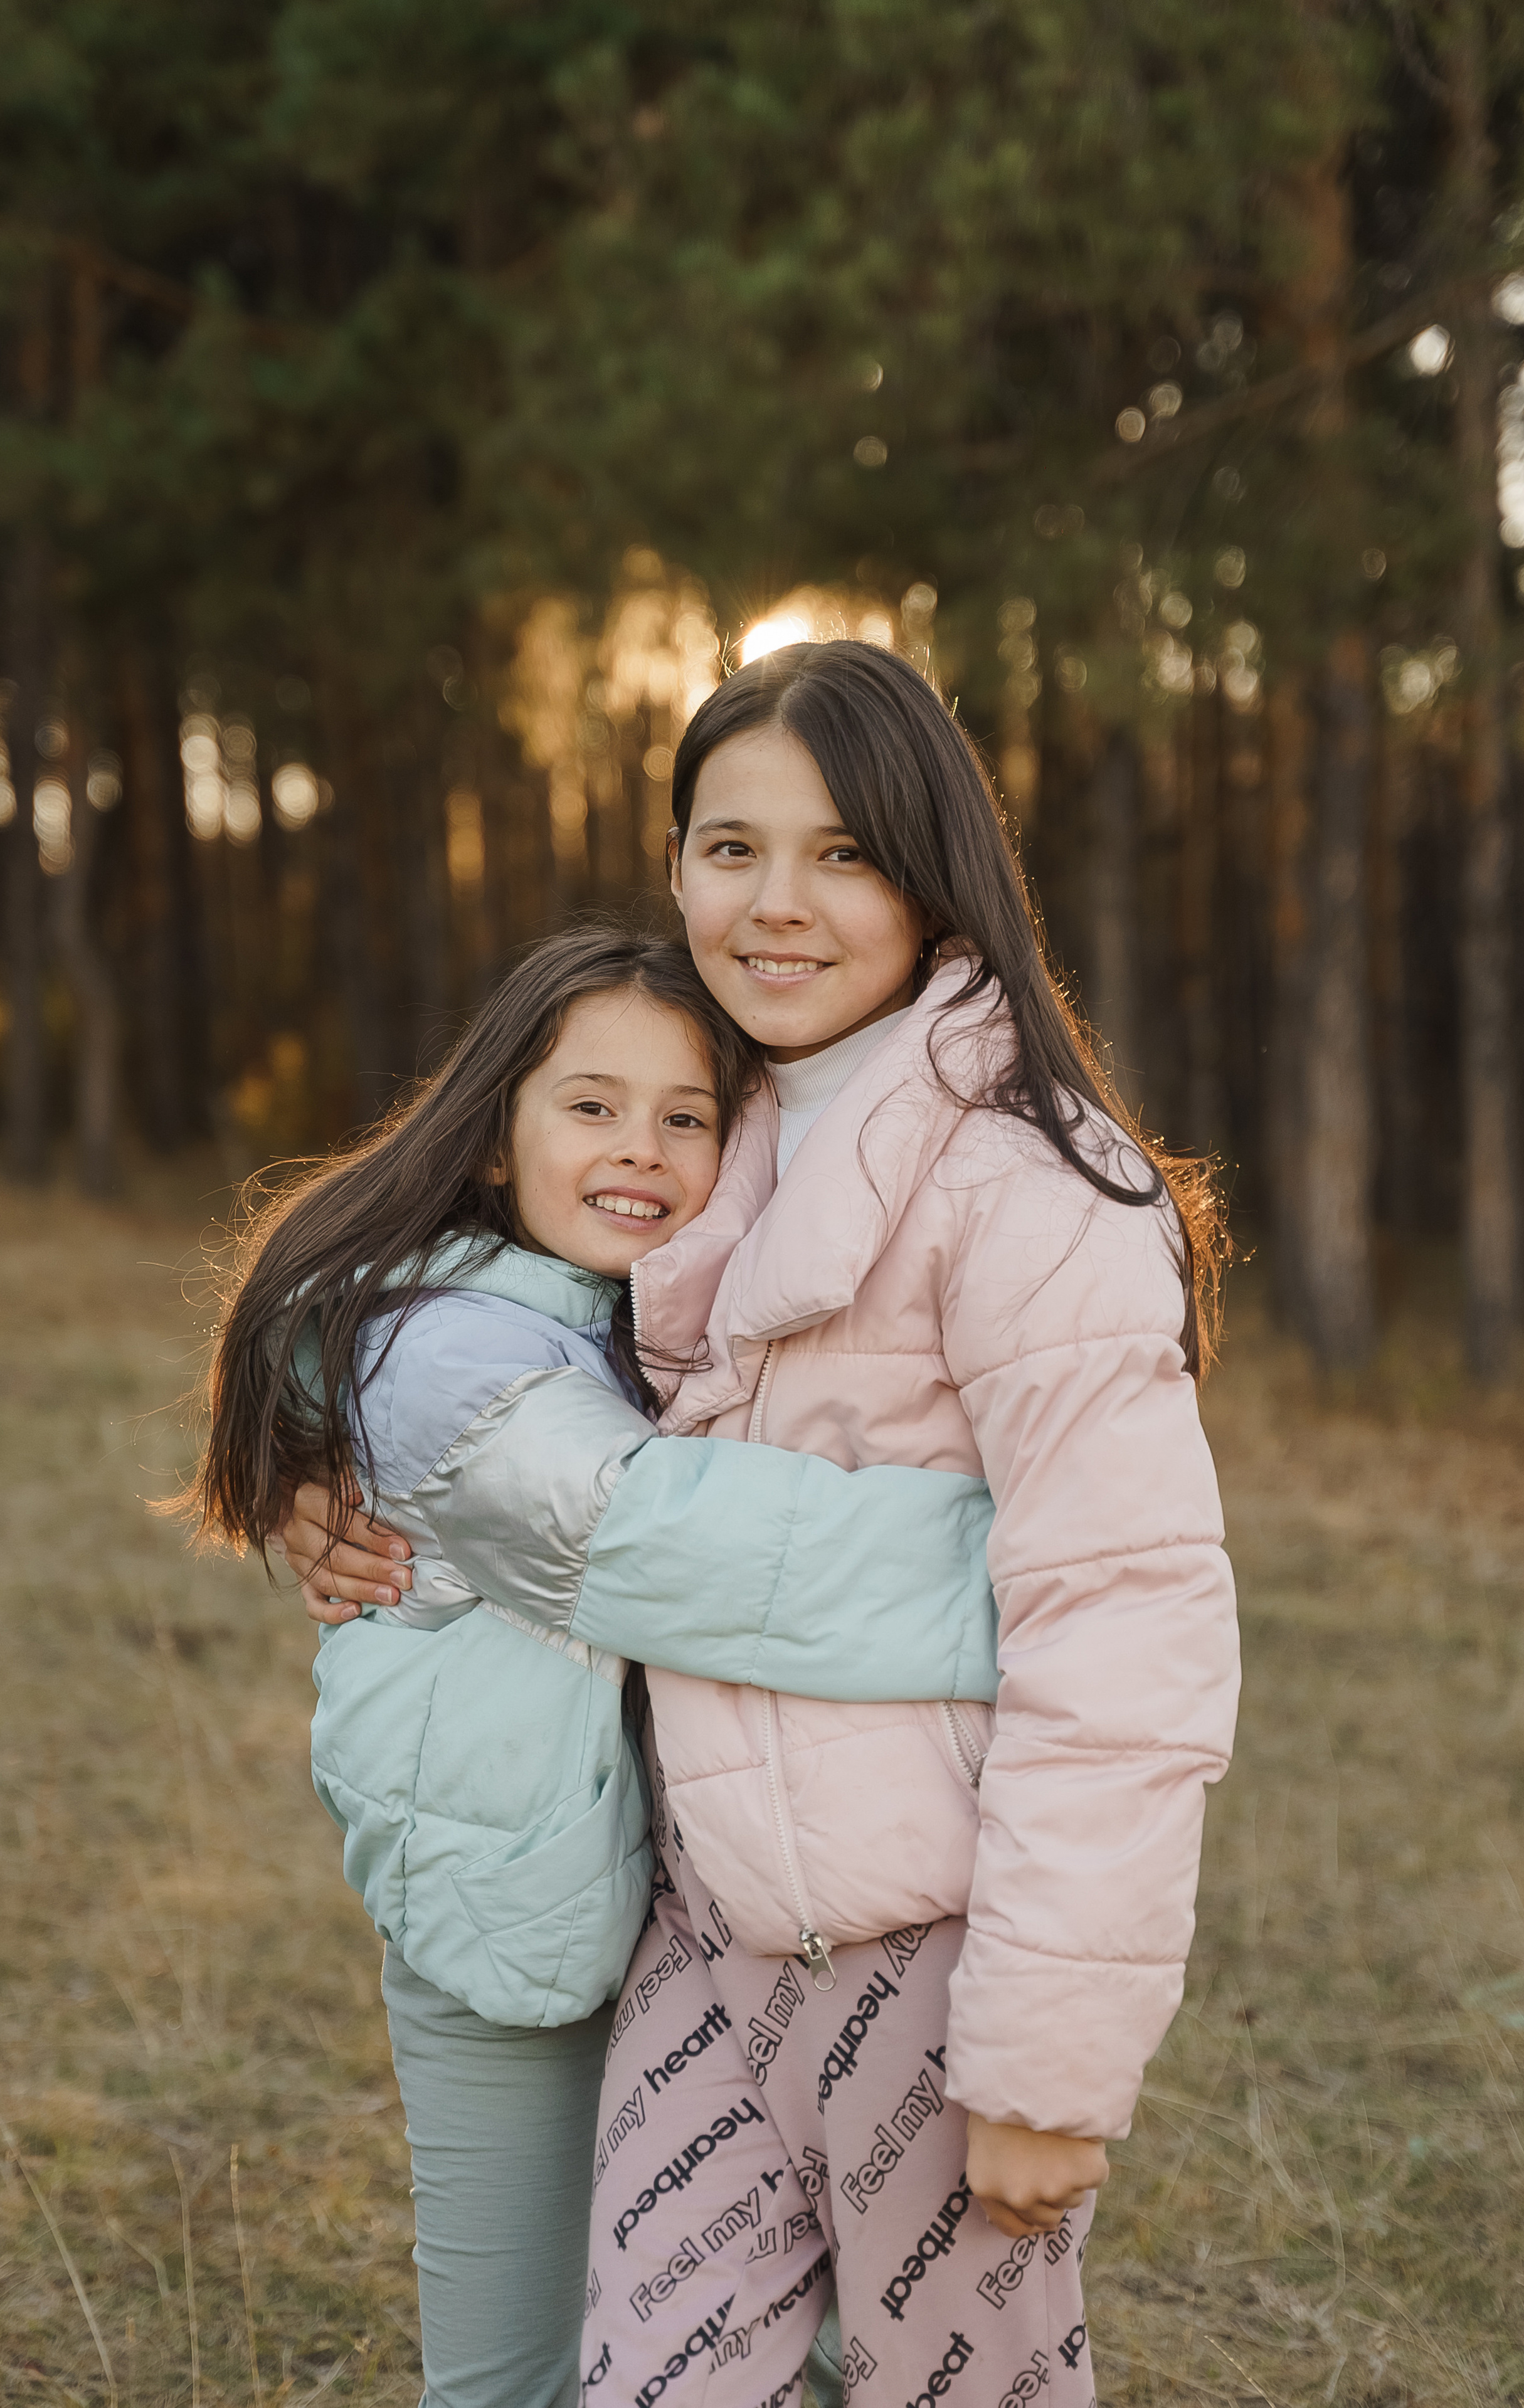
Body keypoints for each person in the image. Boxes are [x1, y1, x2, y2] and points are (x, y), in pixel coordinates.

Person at [288, 641, 1240, 2405]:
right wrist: (338, 1467)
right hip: (704, 1928)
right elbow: (511, 1364)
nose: (777, 905)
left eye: (844, 856)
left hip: (932, 1952)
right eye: (731, 849)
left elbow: (1121, 1618)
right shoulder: (721, 1126)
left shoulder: (1031, 1184)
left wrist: (1047, 2056)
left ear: (936, 873)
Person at [198, 926, 1003, 2408]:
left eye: (685, 1116)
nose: (640, 1149)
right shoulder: (437, 1349)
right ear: (494, 1137)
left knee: (755, 2341)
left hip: (680, 1917)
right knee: (515, 2375)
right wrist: (1036, 1563)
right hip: (509, 1933)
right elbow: (658, 1543)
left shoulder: (654, 1331)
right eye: (589, 1106)